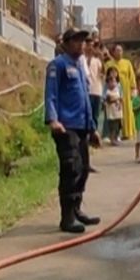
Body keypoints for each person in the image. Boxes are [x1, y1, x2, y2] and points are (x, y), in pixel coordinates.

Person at [45, 28, 102, 234]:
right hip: (65, 126)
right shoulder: (57, 65)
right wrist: (52, 119)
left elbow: (86, 100)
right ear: (67, 43)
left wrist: (93, 128)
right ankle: (67, 217)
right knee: (71, 169)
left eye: (83, 41)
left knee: (84, 168)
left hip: (82, 127)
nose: (81, 45)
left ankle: (77, 208)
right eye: (77, 41)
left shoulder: (79, 66)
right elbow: (50, 94)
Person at [83, 37, 104, 172]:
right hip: (87, 92)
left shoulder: (97, 61)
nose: (91, 48)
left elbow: (101, 74)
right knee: (87, 118)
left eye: (93, 46)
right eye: (89, 45)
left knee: (95, 117)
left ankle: (93, 139)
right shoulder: (81, 60)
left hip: (96, 90)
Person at [108, 45, 137, 140]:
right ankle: (114, 135)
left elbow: (132, 77)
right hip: (114, 92)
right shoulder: (109, 64)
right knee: (114, 113)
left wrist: (133, 89)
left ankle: (126, 133)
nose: (119, 52)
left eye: (121, 50)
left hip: (126, 92)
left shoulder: (127, 63)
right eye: (117, 50)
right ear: (113, 52)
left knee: (127, 111)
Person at [103, 69, 124, 146]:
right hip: (112, 113)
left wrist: (120, 102)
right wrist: (115, 100)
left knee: (118, 125)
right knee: (113, 126)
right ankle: (112, 139)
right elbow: (108, 100)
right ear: (108, 83)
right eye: (111, 82)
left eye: (114, 81)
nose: (113, 83)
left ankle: (116, 138)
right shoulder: (108, 92)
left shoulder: (118, 89)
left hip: (118, 111)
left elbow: (121, 98)